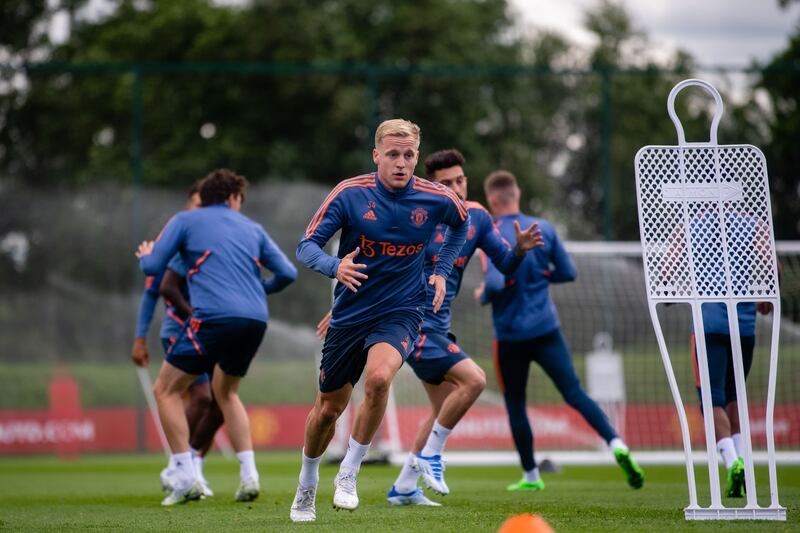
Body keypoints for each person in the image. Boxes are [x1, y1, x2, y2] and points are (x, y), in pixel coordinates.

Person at [290, 119, 470, 523]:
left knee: (378, 379)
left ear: (417, 157)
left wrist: (440, 270)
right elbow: (306, 246)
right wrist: (335, 266)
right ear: (376, 156)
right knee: (327, 410)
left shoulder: (436, 198)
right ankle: (307, 482)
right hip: (351, 313)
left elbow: (462, 225)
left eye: (408, 155)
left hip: (403, 310)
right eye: (393, 154)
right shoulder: (349, 194)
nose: (401, 163)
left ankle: (350, 473)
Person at [384, 149, 542, 505]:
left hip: (441, 325)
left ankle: (405, 487)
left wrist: (518, 251)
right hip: (413, 323)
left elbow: (505, 265)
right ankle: (431, 456)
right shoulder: (415, 214)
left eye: (460, 181)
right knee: (475, 380)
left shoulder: (477, 217)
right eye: (446, 183)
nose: (455, 188)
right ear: (430, 186)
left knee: (440, 410)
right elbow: (381, 262)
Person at [136, 169, 297, 505]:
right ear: (233, 198)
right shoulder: (253, 228)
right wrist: (259, 289)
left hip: (212, 319)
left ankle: (183, 476)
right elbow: (288, 273)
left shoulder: (185, 220)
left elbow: (154, 270)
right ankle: (249, 476)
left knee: (165, 389)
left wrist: (146, 256)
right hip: (255, 320)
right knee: (226, 392)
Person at [476, 170, 644, 492]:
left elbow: (495, 285)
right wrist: (541, 276)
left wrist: (482, 294)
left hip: (510, 336)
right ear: (517, 193)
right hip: (546, 328)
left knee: (516, 403)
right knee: (575, 393)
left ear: (492, 200)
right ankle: (616, 443)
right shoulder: (545, 229)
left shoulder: (494, 233)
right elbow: (568, 272)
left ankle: (530, 476)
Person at [131, 183, 223, 498]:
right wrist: (139, 338)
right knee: (201, 398)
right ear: (188, 207)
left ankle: (191, 466)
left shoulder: (218, 236)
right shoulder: (175, 237)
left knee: (219, 405)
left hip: (213, 332)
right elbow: (153, 291)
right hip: (180, 332)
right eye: (197, 205)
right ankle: (178, 466)